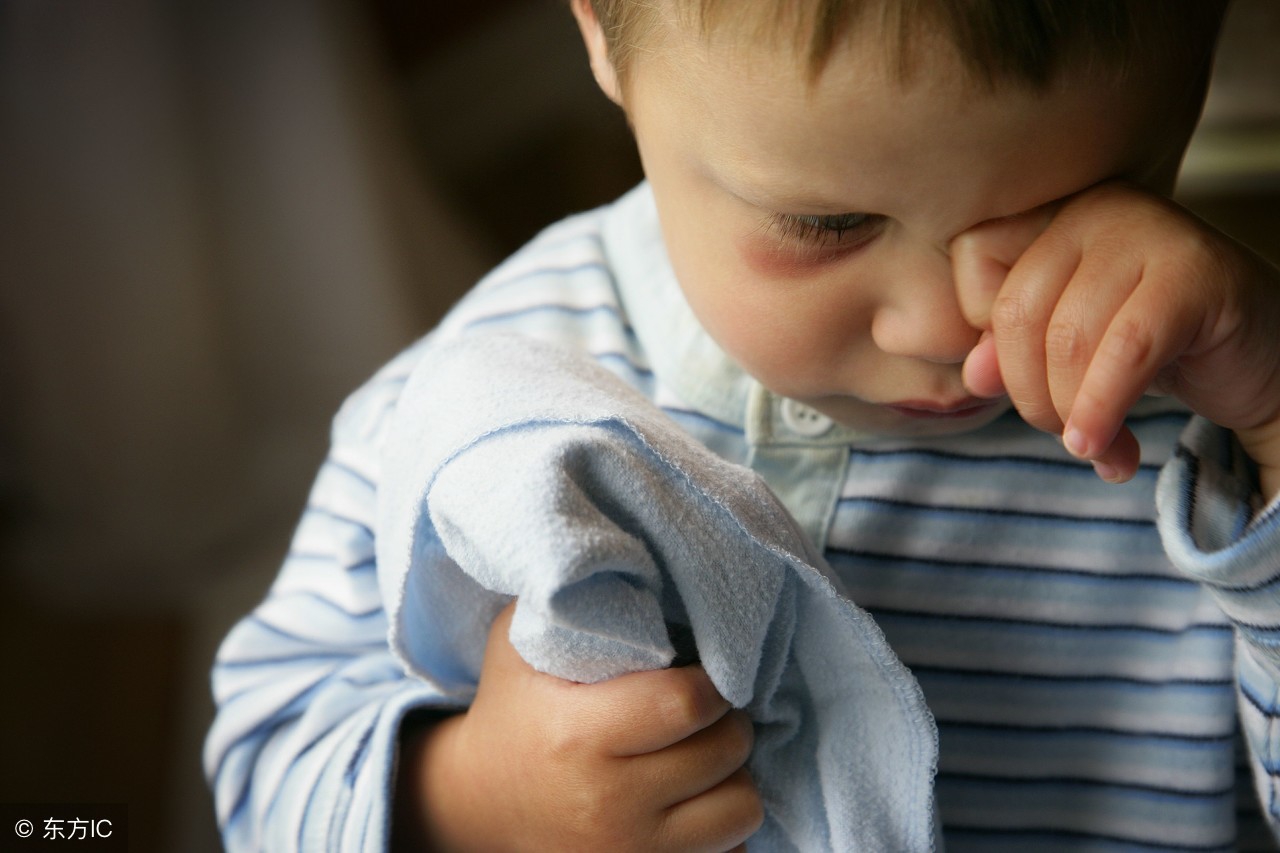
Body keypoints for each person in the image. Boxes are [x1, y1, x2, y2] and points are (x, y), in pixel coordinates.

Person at [204, 0, 1280, 850]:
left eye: (1075, 204)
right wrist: (474, 804)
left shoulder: (1219, 395)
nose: (952, 325)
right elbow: (265, 763)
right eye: (826, 223)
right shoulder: (483, 411)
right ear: (602, 38)